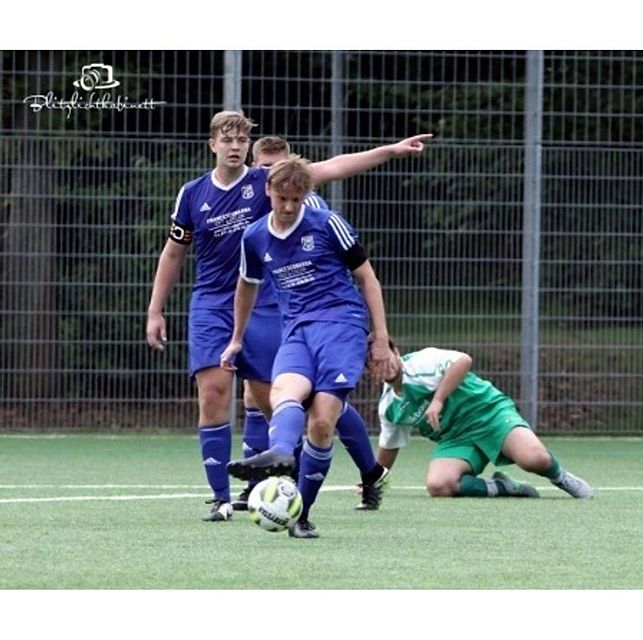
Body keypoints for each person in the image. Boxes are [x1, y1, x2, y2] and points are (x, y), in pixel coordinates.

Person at [146, 110, 430, 522]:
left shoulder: (269, 182)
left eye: (242, 139)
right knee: (213, 395)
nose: (235, 146)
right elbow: (173, 252)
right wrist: (155, 309)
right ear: (212, 144)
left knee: (287, 402)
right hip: (212, 303)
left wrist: (390, 150)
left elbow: (331, 168)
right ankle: (224, 498)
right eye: (227, 140)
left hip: (267, 304)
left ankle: (359, 470)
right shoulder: (192, 194)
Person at [220, 157, 393, 539]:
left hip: (341, 324)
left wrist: (380, 337)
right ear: (268, 191)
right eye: (281, 198)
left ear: (305, 197)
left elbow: (367, 278)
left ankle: (302, 514)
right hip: (296, 327)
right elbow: (246, 286)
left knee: (320, 420)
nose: (287, 207)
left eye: (295, 200)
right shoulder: (254, 237)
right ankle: (281, 454)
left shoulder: (328, 224)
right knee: (285, 391)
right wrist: (236, 338)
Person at [368, 340, 594, 500]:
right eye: (374, 363)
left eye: (384, 356)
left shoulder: (422, 362)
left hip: (489, 413)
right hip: (456, 438)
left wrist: (438, 400)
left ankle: (561, 478)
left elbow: (462, 361)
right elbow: (390, 447)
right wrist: (373, 482)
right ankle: (504, 487)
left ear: (395, 351)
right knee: (438, 485)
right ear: (369, 372)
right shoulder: (389, 407)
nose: (382, 364)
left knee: (535, 460)